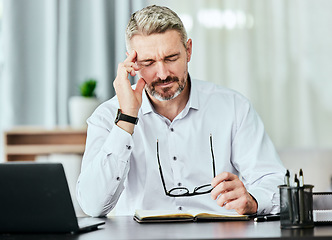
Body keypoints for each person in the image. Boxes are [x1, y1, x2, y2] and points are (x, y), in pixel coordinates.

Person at [76, 5, 286, 217]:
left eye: (171, 58)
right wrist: (127, 118)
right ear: (132, 62)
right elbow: (93, 206)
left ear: (188, 50)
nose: (163, 73)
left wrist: (253, 200)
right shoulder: (106, 116)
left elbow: (276, 183)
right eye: (148, 62)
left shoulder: (234, 107)